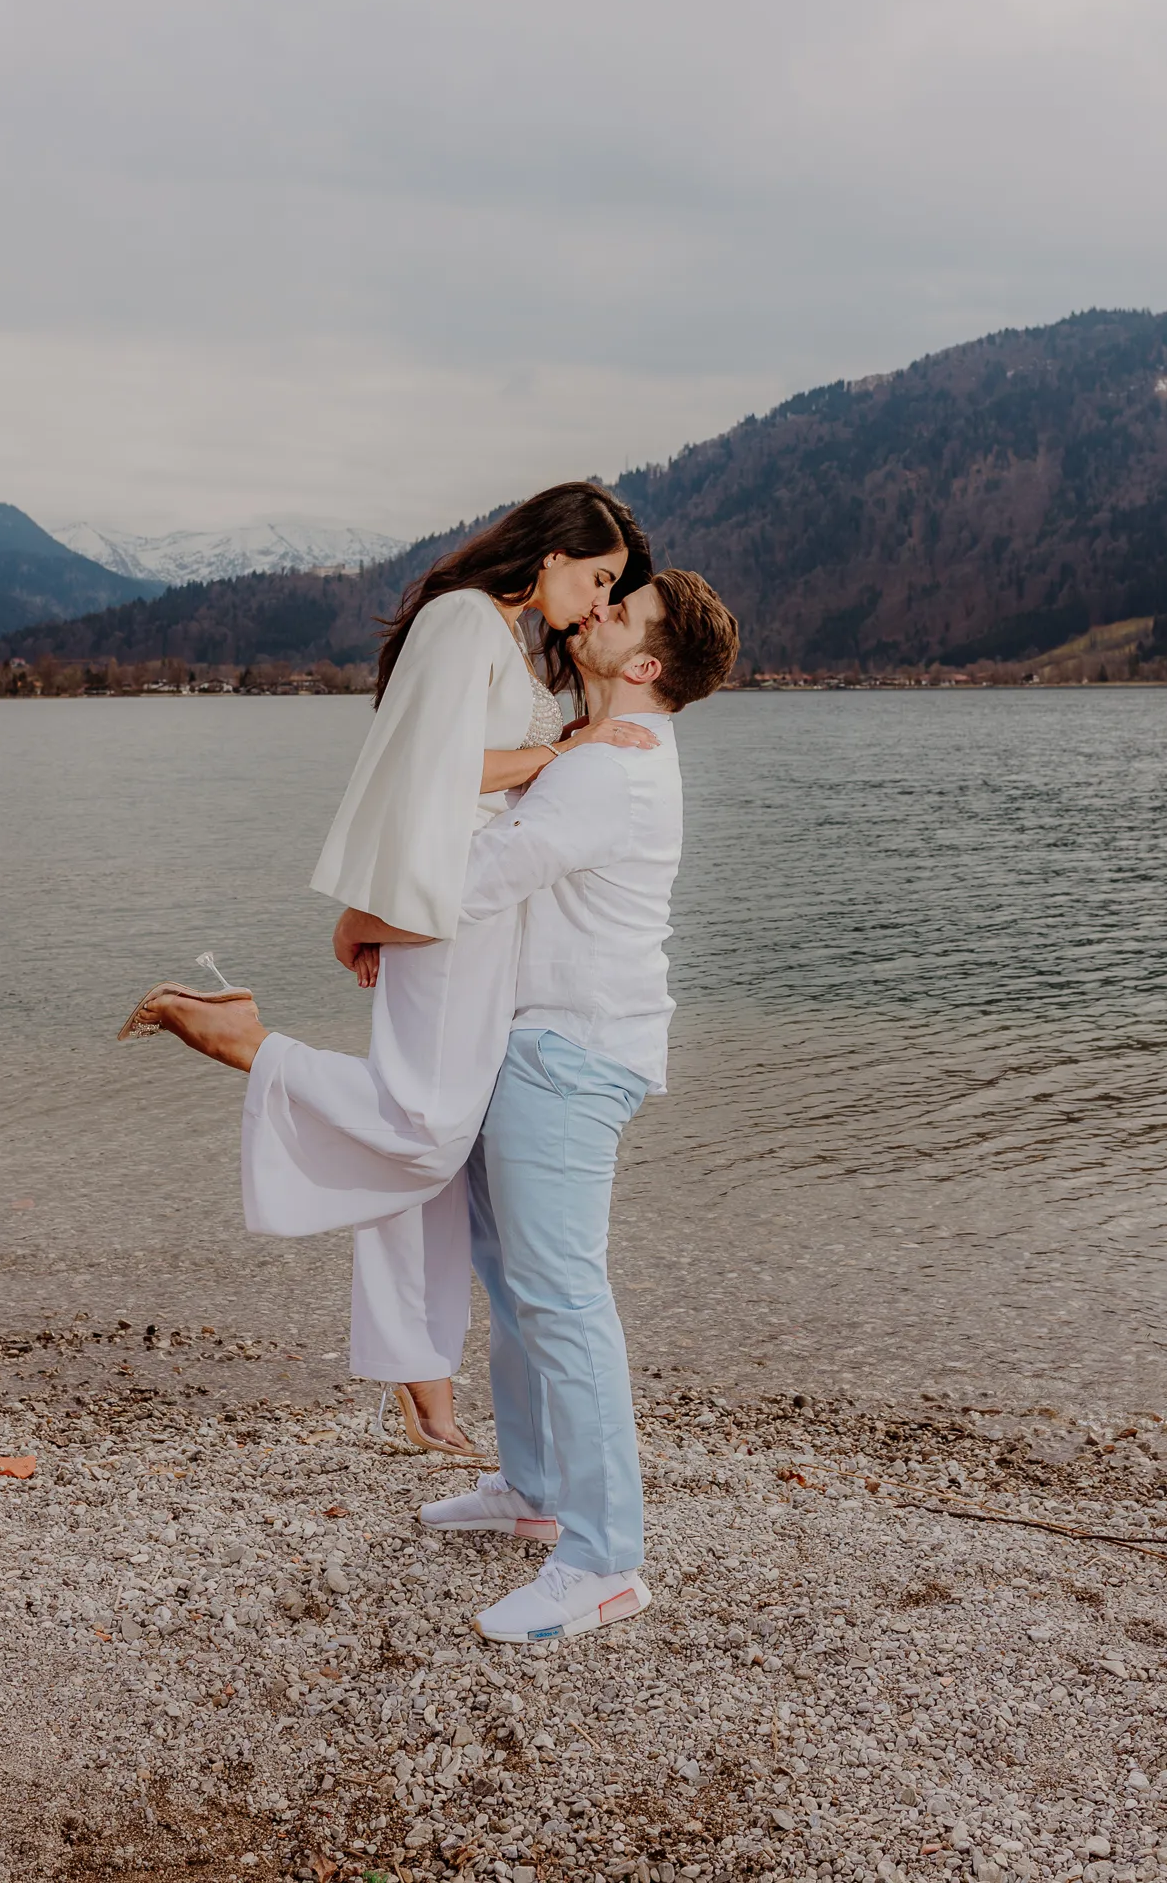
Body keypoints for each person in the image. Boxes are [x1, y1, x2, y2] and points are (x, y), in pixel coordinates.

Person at [119, 481, 655, 1456]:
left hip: (471, 911)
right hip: (452, 905)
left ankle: (427, 1393)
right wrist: (565, 752)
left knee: (434, 1163)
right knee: (422, 1130)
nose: (596, 600)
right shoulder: (464, 621)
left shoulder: (497, 629)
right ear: (551, 557)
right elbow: (438, 773)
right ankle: (247, 1040)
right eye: (597, 577)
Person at [351, 568, 740, 1640]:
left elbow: (477, 878)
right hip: (538, 1045)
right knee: (515, 1281)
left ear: (647, 666)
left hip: (570, 1054)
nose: (598, 612)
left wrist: (362, 922)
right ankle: (532, 1492)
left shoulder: (614, 768)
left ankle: (605, 1559)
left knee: (563, 1298)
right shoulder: (593, 749)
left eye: (625, 612)